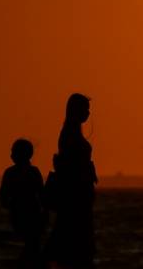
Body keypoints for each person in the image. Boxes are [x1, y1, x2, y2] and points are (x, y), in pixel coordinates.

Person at [45, 93, 98, 269]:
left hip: (79, 198)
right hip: (74, 198)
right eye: (85, 109)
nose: (88, 113)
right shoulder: (69, 135)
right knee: (74, 244)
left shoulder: (70, 133)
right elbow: (69, 167)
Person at [1, 139, 46, 267]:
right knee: (33, 244)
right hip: (29, 213)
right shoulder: (33, 172)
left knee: (32, 245)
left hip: (24, 214)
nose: (11, 155)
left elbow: (3, 198)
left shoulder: (10, 173)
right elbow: (42, 195)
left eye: (14, 152)